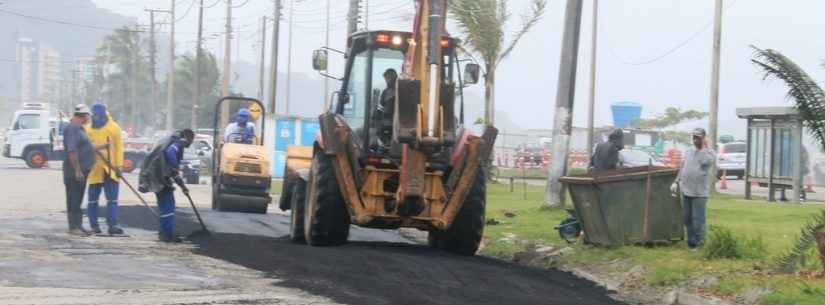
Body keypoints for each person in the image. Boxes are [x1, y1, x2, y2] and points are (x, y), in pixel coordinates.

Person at [139, 129, 194, 242]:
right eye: (192, 140)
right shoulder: (179, 142)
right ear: (188, 138)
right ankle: (167, 234)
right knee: (168, 204)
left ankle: (163, 232)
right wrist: (175, 169)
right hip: (159, 177)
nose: (191, 143)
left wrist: (182, 186)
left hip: (154, 175)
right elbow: (170, 153)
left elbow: (168, 165)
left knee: (165, 204)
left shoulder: (169, 140)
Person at [62, 104, 108, 236]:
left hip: (82, 171)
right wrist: (77, 170)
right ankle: (73, 227)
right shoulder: (73, 129)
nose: (89, 118)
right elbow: (72, 151)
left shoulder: (80, 129)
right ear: (82, 116)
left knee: (78, 199)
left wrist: (104, 146)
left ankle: (78, 225)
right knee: (73, 199)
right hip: (75, 172)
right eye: (88, 116)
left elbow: (87, 147)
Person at [671, 127, 715, 249]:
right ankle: (691, 243)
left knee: (698, 220)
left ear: (704, 138)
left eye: (698, 138)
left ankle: (700, 243)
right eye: (694, 137)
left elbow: (705, 162)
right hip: (686, 190)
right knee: (687, 219)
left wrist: (702, 148)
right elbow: (683, 166)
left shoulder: (710, 153)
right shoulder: (688, 151)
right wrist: (676, 181)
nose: (695, 140)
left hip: (699, 193)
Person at [85, 103, 125, 235]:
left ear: (103, 114)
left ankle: (112, 225)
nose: (96, 118)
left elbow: (119, 148)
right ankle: (94, 225)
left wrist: (119, 166)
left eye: (98, 115)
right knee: (92, 199)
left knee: (112, 199)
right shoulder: (88, 129)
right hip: (95, 169)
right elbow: (85, 147)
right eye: (94, 115)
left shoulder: (114, 128)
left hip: (111, 168)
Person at [374, 68, 398, 146]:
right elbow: (382, 104)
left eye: (387, 79)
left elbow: (388, 109)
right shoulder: (386, 91)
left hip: (392, 122)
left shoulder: (397, 91)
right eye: (385, 79)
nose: (386, 81)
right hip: (388, 120)